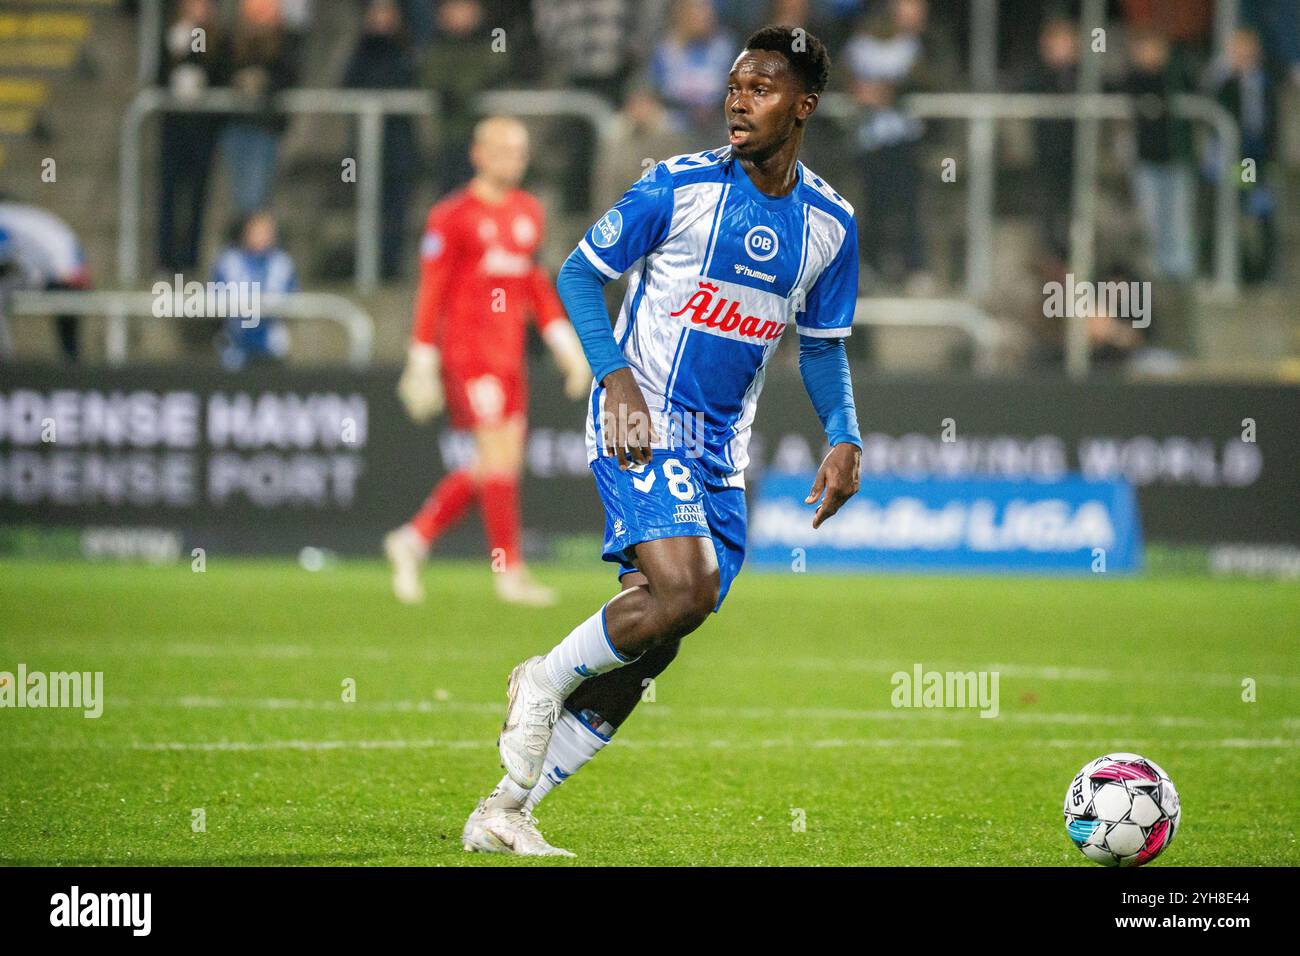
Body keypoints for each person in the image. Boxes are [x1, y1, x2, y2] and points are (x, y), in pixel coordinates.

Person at [462, 25, 863, 856]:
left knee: (662, 636)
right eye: (734, 84)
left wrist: (844, 432)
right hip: (638, 420)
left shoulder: (830, 223)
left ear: (804, 106)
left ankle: (505, 807)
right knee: (682, 591)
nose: (738, 99)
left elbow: (822, 344)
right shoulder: (674, 187)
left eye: (760, 88)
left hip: (723, 448)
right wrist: (614, 379)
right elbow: (576, 272)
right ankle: (542, 678)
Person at [385, 116, 592, 608]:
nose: (513, 159)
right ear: (478, 154)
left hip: (509, 355)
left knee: (499, 466)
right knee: (497, 459)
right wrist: (421, 358)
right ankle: (508, 571)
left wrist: (566, 346)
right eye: (502, 149)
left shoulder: (528, 213)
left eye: (520, 151)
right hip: (468, 353)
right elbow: (431, 290)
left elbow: (534, 287)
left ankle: (414, 539)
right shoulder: (452, 216)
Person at [0, 199, 90, 362]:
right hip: (67, 270)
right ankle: (72, 360)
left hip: (62, 274)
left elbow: (6, 251)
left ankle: (5, 360)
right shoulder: (25, 216)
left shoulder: (5, 216)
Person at [210, 210, 296, 370]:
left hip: (272, 346)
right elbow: (215, 298)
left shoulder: (283, 263)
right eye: (256, 230)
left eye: (266, 231)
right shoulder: (228, 261)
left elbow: (289, 301)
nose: (261, 236)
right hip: (234, 345)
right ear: (246, 231)